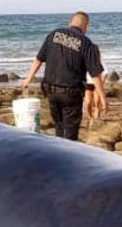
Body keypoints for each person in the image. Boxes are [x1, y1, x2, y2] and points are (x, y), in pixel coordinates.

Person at [20, 11, 106, 140]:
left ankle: (59, 150)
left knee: (59, 127)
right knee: (71, 132)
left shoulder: (54, 34)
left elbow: (39, 58)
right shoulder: (86, 43)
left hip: (51, 91)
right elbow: (95, 73)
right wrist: (102, 96)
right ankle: (69, 154)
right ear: (86, 26)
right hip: (71, 93)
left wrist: (29, 78)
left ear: (70, 23)